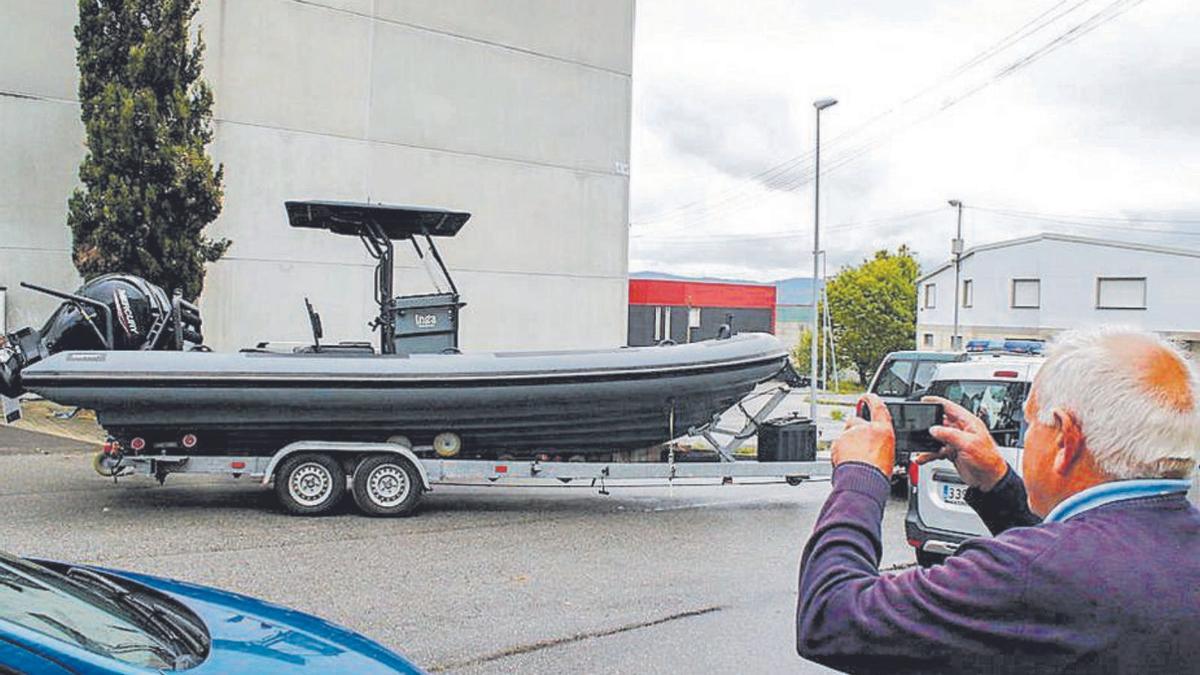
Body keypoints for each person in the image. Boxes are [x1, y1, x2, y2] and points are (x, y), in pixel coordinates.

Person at [795, 327, 1200, 674]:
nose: (1025, 437)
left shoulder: (1025, 571)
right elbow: (1085, 569)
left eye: (1029, 423)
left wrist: (860, 475)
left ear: (1064, 438)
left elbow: (832, 617)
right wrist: (998, 484)